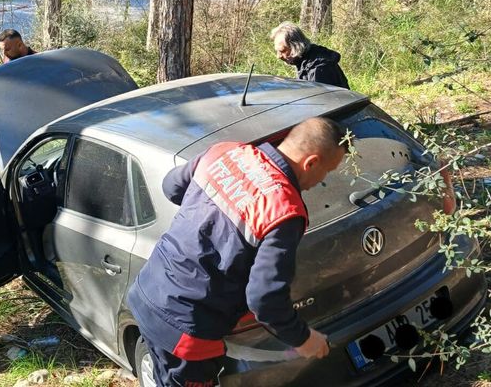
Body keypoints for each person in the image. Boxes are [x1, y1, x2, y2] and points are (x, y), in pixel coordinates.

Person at [127, 117, 349, 387]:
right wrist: (303, 339)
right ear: (311, 162)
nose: (321, 181)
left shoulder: (226, 152)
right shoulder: (284, 211)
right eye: (328, 171)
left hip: (147, 292)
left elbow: (171, 187)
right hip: (188, 327)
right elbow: (265, 299)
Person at [270, 22, 350, 89]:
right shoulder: (305, 60)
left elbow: (321, 102)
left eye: (282, 51)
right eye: (277, 51)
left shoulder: (318, 68)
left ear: (296, 46)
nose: (279, 56)